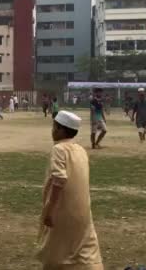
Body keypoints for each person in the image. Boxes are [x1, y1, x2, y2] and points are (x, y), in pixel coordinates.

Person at [37, 110, 103, 270]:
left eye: (54, 127)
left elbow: (59, 180)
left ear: (60, 130)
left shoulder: (59, 149)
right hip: (82, 211)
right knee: (83, 249)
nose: (52, 130)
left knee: (57, 250)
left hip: (62, 210)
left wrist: (50, 210)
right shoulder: (81, 150)